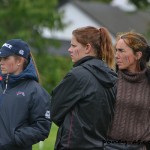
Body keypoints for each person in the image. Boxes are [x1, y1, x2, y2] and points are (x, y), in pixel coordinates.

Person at [51, 26, 117, 150]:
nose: (69, 49)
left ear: (87, 48)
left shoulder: (78, 75)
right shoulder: (113, 77)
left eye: (74, 46)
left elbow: (54, 110)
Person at [0, 39, 51, 150]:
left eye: (5, 58)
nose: (1, 62)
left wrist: (12, 139)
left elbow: (42, 128)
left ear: (19, 61)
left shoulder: (35, 91)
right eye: (1, 58)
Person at [108, 31, 150, 150]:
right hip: (109, 146)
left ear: (138, 55)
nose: (116, 55)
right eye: (116, 50)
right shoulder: (109, 80)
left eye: (121, 51)